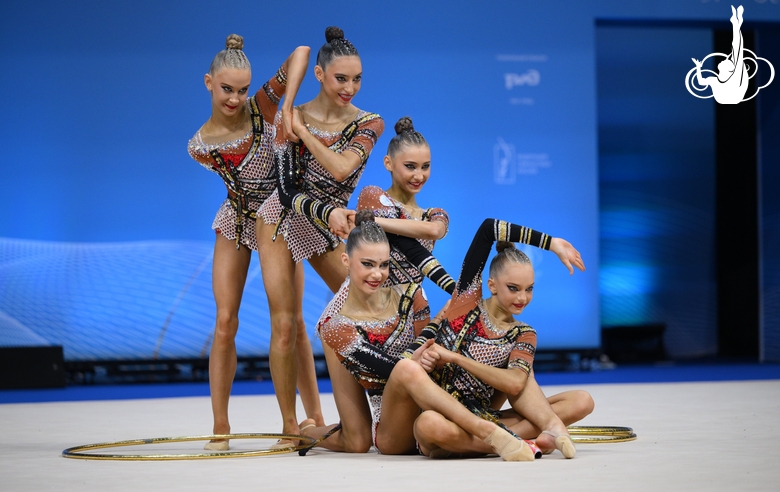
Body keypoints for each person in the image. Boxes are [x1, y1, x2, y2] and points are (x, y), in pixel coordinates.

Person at [301, 212, 538, 460]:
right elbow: (391, 370)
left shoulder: (412, 294)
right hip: (395, 428)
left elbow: (426, 347)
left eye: (384, 265)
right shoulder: (336, 328)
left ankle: (539, 430)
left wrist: (432, 343)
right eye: (367, 264)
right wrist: (433, 327)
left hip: (438, 406)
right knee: (406, 369)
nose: (377, 274)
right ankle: (488, 433)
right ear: (346, 261)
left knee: (543, 386)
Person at [187, 35, 324, 450]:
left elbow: (301, 52)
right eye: (227, 88)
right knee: (225, 321)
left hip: (277, 217)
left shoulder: (261, 105)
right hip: (236, 219)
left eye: (242, 88)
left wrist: (284, 104)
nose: (235, 97)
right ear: (209, 82)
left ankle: (306, 419)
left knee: (292, 321)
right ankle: (221, 427)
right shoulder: (198, 146)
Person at [256, 26, 384, 448]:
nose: (349, 87)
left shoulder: (369, 123)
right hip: (283, 215)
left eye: (357, 78)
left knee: (375, 309)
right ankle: (291, 427)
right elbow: (288, 190)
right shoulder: (288, 118)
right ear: (319, 74)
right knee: (285, 325)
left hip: (332, 222)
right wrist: (288, 115)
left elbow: (343, 170)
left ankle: (384, 411)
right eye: (340, 78)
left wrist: (303, 130)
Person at [412, 219, 590, 459]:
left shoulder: (524, 332)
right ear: (492, 285)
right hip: (443, 412)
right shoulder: (465, 303)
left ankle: (499, 441)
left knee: (582, 401)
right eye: (514, 288)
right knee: (427, 424)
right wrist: (550, 243)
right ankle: (522, 438)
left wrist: (455, 358)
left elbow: (516, 385)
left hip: (483, 416)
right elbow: (487, 229)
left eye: (529, 289)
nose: (523, 298)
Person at [356, 116, 455, 293]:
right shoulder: (372, 195)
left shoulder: (434, 214)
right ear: (389, 163)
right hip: (373, 306)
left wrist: (372, 221)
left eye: (425, 167)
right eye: (410, 166)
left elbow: (434, 230)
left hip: (414, 310)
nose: (419, 176)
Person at [692, 5, 748, 104]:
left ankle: (736, 23)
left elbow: (738, 49)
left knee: (737, 52)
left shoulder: (727, 79)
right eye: (728, 61)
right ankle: (736, 24)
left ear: (728, 69)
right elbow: (701, 82)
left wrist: (698, 67)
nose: (725, 59)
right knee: (737, 53)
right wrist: (698, 67)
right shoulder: (718, 80)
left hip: (733, 95)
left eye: (727, 61)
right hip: (730, 96)